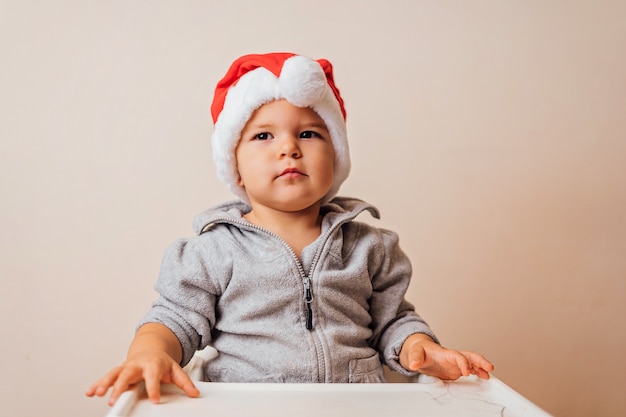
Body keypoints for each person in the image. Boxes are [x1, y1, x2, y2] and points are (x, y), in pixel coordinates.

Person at [86, 52, 494, 406]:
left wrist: (420, 348)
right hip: (247, 406)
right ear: (236, 169)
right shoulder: (212, 251)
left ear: (336, 156)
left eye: (308, 133)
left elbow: (392, 323)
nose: (288, 148)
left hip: (356, 404)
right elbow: (175, 318)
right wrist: (149, 352)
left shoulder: (370, 246)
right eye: (263, 135)